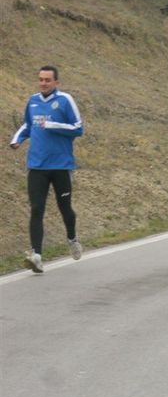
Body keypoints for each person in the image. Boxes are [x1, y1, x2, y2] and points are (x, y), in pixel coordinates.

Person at [10, 66, 84, 273]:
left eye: (47, 80)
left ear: (56, 82)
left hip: (61, 166)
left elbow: (78, 128)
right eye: (41, 79)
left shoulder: (65, 100)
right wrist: (17, 139)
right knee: (36, 209)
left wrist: (52, 125)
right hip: (37, 166)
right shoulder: (32, 101)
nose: (43, 83)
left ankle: (72, 238)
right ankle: (36, 256)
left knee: (65, 208)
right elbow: (28, 125)